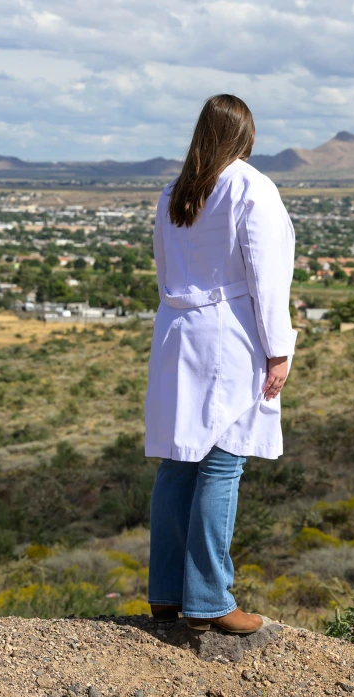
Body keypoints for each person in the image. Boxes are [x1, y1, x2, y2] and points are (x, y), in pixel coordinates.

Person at [143, 94, 297, 634]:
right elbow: (267, 277)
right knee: (223, 460)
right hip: (229, 334)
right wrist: (279, 349)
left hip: (176, 331)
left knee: (178, 460)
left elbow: (165, 273)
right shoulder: (250, 187)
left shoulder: (174, 193)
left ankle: (165, 592)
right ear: (243, 137)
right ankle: (210, 599)